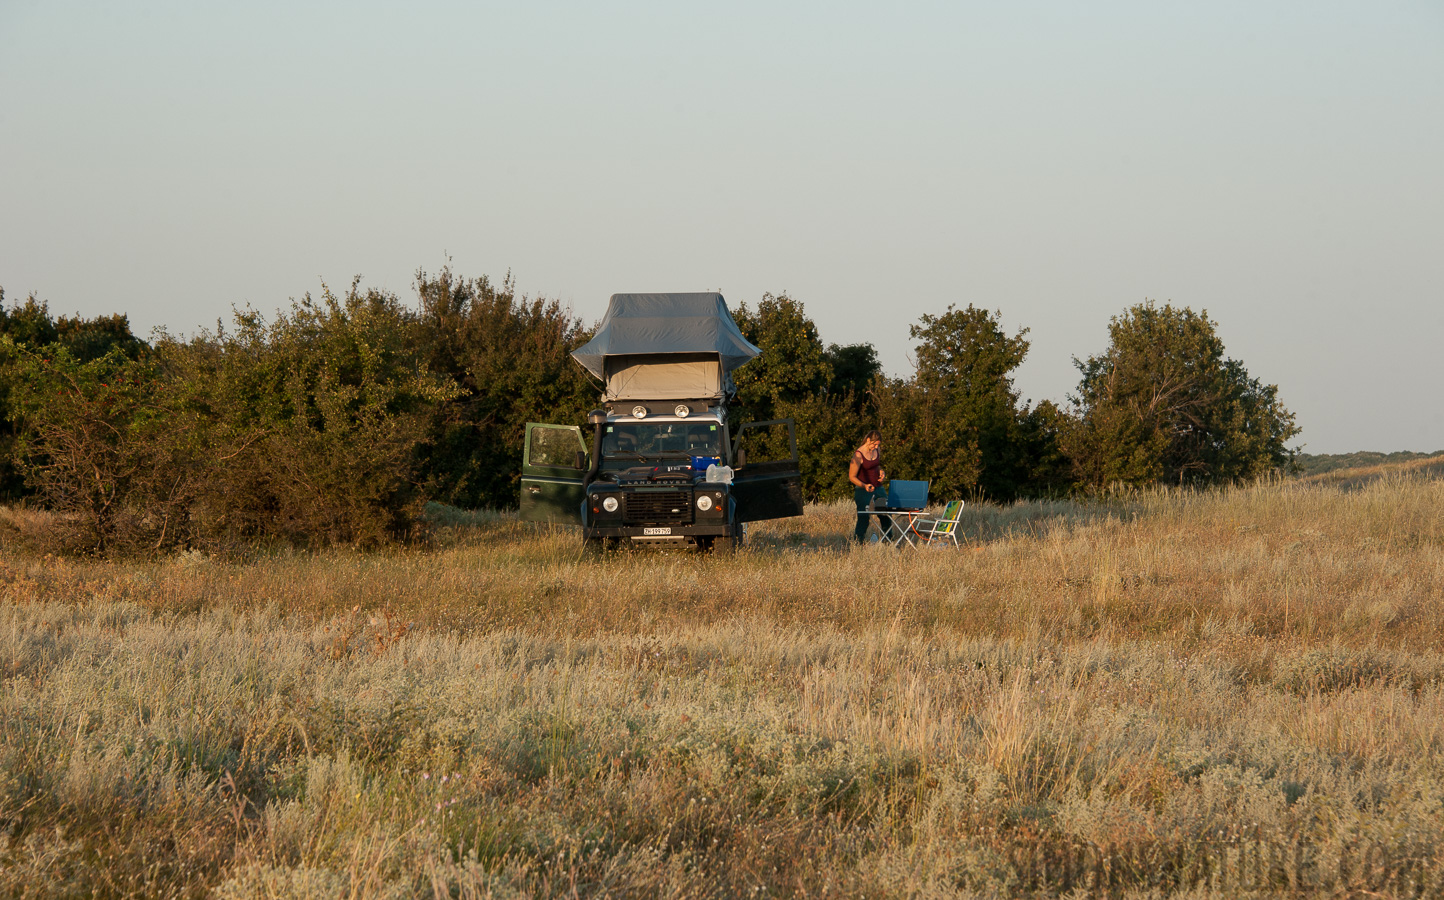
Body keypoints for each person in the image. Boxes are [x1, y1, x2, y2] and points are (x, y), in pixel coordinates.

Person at [849, 430, 890, 544]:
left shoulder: (877, 450)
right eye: (874, 444)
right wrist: (865, 485)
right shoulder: (858, 455)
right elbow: (852, 477)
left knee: (886, 513)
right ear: (868, 440)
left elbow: (876, 466)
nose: (876, 447)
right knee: (864, 517)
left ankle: (888, 542)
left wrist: (882, 472)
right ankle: (858, 543)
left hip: (878, 487)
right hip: (863, 489)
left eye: (878, 444)